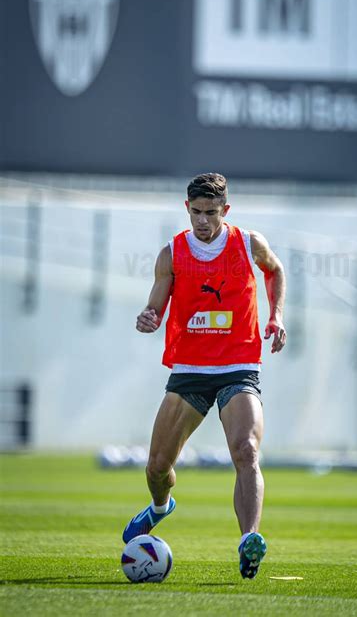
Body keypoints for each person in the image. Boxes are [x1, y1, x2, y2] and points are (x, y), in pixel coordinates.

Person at [122, 172, 286, 579]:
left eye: (211, 213)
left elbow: (275, 270)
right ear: (187, 209)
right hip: (190, 370)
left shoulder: (249, 244)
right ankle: (161, 507)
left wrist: (277, 316)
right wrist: (148, 317)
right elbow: (155, 307)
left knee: (246, 450)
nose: (203, 221)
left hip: (239, 366)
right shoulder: (172, 254)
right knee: (157, 467)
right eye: (196, 212)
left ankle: (249, 540)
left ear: (225, 211)